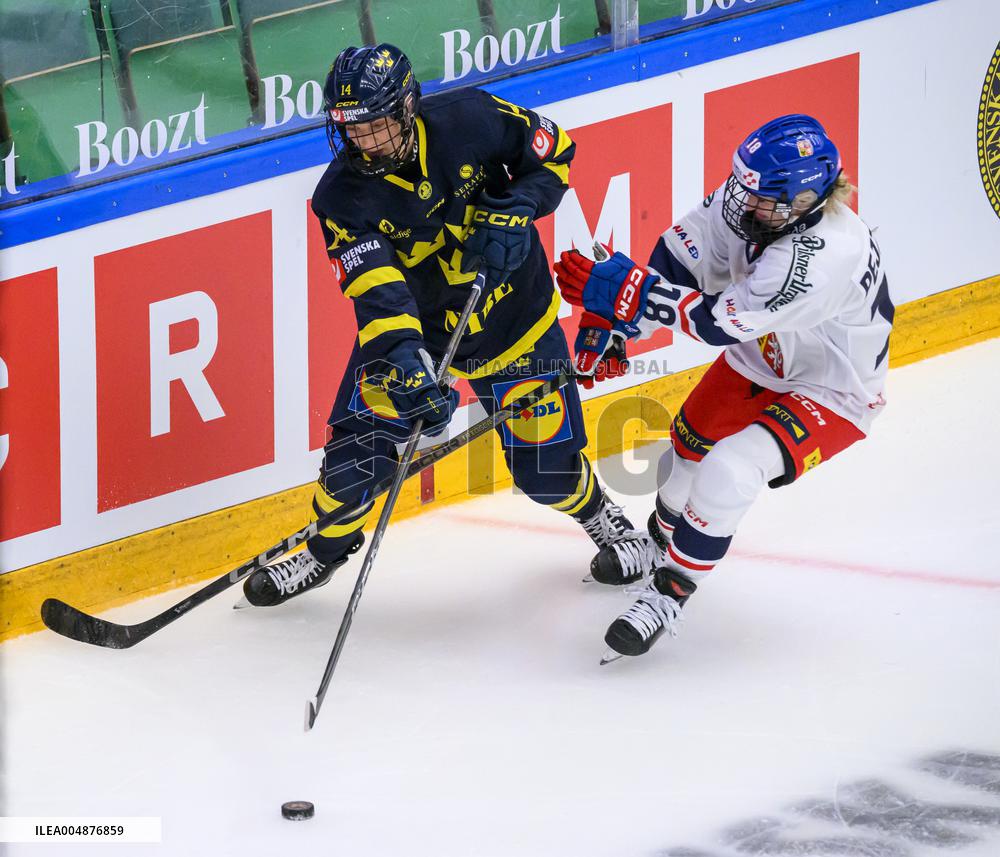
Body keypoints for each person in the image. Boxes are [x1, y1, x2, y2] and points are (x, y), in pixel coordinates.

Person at [242, 43, 642, 607]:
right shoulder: (340, 198)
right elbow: (377, 291)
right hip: (421, 336)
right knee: (352, 466)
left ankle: (606, 518)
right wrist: (407, 362)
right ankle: (321, 553)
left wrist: (519, 204)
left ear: (407, 108)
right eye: (353, 129)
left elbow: (555, 153)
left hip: (516, 320)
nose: (366, 141)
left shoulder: (472, 119)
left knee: (546, 469)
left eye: (378, 125)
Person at [554, 114, 894, 660]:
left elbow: (712, 324)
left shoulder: (820, 257)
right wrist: (615, 326)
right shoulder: (758, 203)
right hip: (764, 354)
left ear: (805, 199)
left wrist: (630, 296)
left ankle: (670, 592)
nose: (743, 206)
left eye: (762, 201)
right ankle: (661, 541)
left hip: (834, 389)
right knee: (687, 450)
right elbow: (677, 261)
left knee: (730, 468)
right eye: (744, 188)